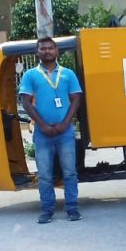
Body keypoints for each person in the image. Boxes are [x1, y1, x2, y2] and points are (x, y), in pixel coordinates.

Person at [19, 37, 83, 224]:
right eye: (43, 48)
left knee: (70, 172)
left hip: (65, 132)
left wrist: (65, 123)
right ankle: (47, 210)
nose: (47, 51)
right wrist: (43, 125)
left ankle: (72, 209)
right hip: (42, 133)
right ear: (37, 52)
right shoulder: (30, 75)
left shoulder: (67, 74)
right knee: (45, 175)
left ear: (56, 51)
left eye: (50, 48)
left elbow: (76, 99)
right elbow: (25, 102)